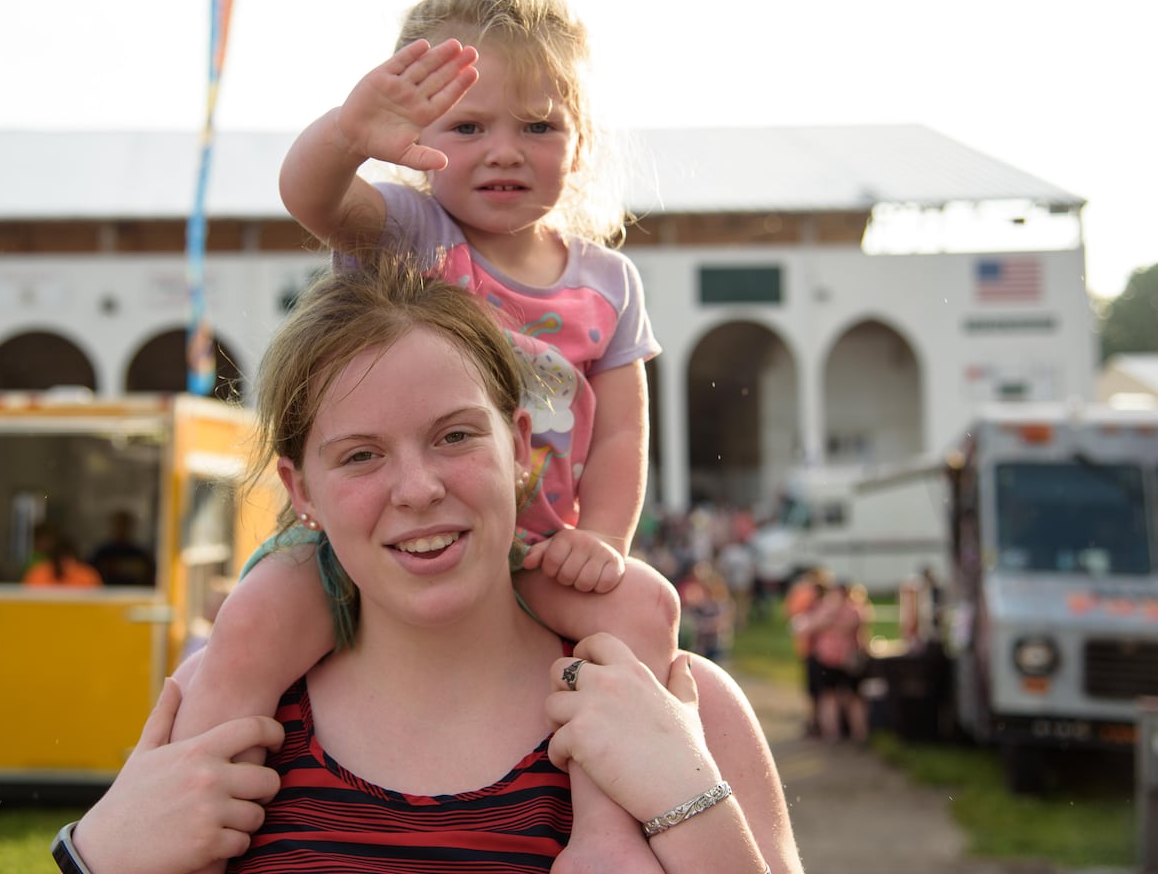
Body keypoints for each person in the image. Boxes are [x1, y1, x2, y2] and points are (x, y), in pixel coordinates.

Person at [62, 255, 800, 873]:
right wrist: (95, 857)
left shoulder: (678, 703)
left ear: (518, 447)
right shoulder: (227, 712)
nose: (419, 489)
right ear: (301, 490)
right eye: (361, 455)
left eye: (454, 436)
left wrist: (688, 800)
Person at [173, 0, 677, 869]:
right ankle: (181, 810)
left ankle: (605, 820)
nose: (504, 151)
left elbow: (626, 434)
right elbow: (311, 196)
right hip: (373, 546)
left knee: (643, 607)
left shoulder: (607, 282)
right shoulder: (409, 229)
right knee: (252, 622)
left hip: (529, 550)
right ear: (415, 142)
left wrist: (602, 538)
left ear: (581, 137)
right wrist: (346, 134)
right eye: (467, 126)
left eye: (538, 125)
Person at [798, 580, 872, 744]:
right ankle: (853, 733)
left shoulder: (829, 610)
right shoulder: (854, 610)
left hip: (834, 659)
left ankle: (837, 733)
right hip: (842, 659)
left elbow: (805, 626)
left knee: (834, 697)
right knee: (843, 698)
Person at [89, 509, 157, 586]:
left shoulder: (140, 555)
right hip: (106, 595)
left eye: (125, 524)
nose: (121, 528)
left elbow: (149, 577)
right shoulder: (102, 554)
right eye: (118, 525)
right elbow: (91, 575)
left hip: (136, 595)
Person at [22, 532, 102, 588]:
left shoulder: (87, 576)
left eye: (68, 560)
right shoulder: (37, 575)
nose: (64, 564)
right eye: (60, 560)